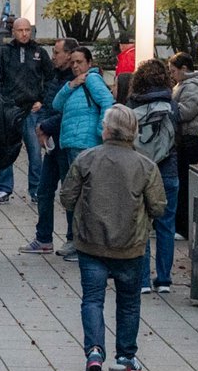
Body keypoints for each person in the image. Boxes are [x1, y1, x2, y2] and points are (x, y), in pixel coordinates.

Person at [59, 105, 166, 371]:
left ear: (106, 129)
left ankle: (94, 351)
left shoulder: (86, 159)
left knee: (92, 299)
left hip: (91, 243)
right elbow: (158, 206)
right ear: (133, 132)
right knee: (129, 302)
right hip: (130, 246)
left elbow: (67, 197)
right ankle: (126, 356)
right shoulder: (146, 166)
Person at [51, 47, 115, 261]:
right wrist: (70, 85)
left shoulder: (93, 80)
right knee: (74, 193)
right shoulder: (76, 83)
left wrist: (100, 131)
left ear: (89, 62)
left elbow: (107, 102)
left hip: (85, 144)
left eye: (80, 62)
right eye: (73, 63)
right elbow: (56, 104)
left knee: (83, 195)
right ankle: (76, 240)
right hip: (71, 143)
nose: (76, 66)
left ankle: (84, 244)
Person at [20, 37, 79, 254]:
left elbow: (68, 112)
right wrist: (42, 126)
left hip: (67, 141)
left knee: (69, 191)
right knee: (44, 190)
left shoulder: (75, 81)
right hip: (54, 142)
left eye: (57, 52)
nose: (53, 56)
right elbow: (48, 104)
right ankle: (44, 237)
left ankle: (73, 239)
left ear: (70, 55)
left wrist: (44, 126)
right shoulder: (56, 77)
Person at [128, 59, 181, 294]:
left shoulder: (131, 104)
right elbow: (178, 134)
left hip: (141, 170)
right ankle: (164, 280)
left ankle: (142, 281)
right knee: (166, 226)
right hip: (168, 170)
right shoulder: (172, 105)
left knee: (142, 224)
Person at [0, 17, 52, 204]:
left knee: (34, 151)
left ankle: (36, 189)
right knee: (7, 149)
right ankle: (4, 188)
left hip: (32, 109)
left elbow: (50, 79)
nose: (24, 33)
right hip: (10, 109)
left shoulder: (39, 53)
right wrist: (3, 101)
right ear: (13, 32)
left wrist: (42, 101)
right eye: (20, 30)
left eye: (27, 30)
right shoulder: (4, 54)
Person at [168, 52, 198, 239]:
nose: (172, 75)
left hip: (189, 137)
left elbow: (185, 112)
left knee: (183, 182)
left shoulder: (193, 86)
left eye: (173, 71)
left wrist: (168, 106)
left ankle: (182, 227)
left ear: (184, 69)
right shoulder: (189, 85)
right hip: (190, 137)